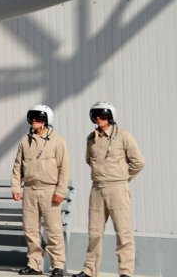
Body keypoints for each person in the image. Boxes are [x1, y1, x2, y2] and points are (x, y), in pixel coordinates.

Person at [75, 101, 145, 277]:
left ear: (111, 117)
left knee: (123, 231)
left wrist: (122, 178)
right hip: (97, 189)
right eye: (96, 115)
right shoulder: (91, 138)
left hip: (117, 188)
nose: (99, 118)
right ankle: (90, 270)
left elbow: (138, 162)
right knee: (94, 232)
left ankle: (126, 271)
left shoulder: (123, 136)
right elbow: (89, 160)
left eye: (103, 115)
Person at [10, 104, 70, 276]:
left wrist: (60, 191)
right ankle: (34, 264)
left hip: (49, 191)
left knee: (53, 229)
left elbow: (64, 168)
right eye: (32, 118)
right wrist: (16, 187)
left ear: (46, 120)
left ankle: (57, 265)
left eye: (38, 118)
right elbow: (17, 167)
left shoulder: (58, 141)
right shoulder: (25, 141)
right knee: (30, 229)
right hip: (29, 190)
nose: (34, 121)